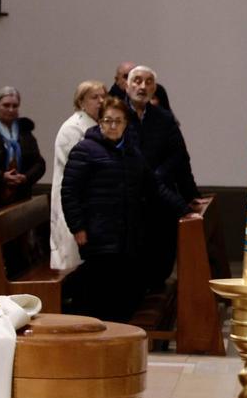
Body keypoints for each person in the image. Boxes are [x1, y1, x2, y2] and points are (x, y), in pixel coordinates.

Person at [61, 98, 194, 321]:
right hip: (98, 232)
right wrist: (78, 227)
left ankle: (119, 337)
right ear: (99, 122)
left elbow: (154, 186)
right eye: (107, 121)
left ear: (126, 124)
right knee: (101, 288)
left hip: (127, 233)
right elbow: (69, 192)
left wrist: (183, 209)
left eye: (118, 121)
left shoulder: (132, 152)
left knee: (124, 289)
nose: (113, 126)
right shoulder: (85, 149)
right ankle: (95, 335)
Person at [124, 65, 203, 289]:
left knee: (160, 257)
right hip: (130, 201)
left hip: (160, 198)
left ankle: (156, 298)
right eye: (137, 81)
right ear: (127, 86)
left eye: (148, 82)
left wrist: (190, 194)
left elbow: (179, 156)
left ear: (155, 88)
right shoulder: (117, 115)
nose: (142, 86)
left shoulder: (164, 118)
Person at [50, 81, 105, 272]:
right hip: (74, 197)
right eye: (94, 97)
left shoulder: (99, 125)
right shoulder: (73, 128)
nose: (101, 101)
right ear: (81, 102)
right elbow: (74, 169)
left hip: (91, 200)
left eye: (103, 96)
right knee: (72, 257)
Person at [0, 86, 45, 208]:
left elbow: (39, 163)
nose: (10, 109)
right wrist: (1, 176)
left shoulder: (24, 131)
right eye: (6, 105)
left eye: (15, 106)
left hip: (21, 193)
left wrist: (25, 177)